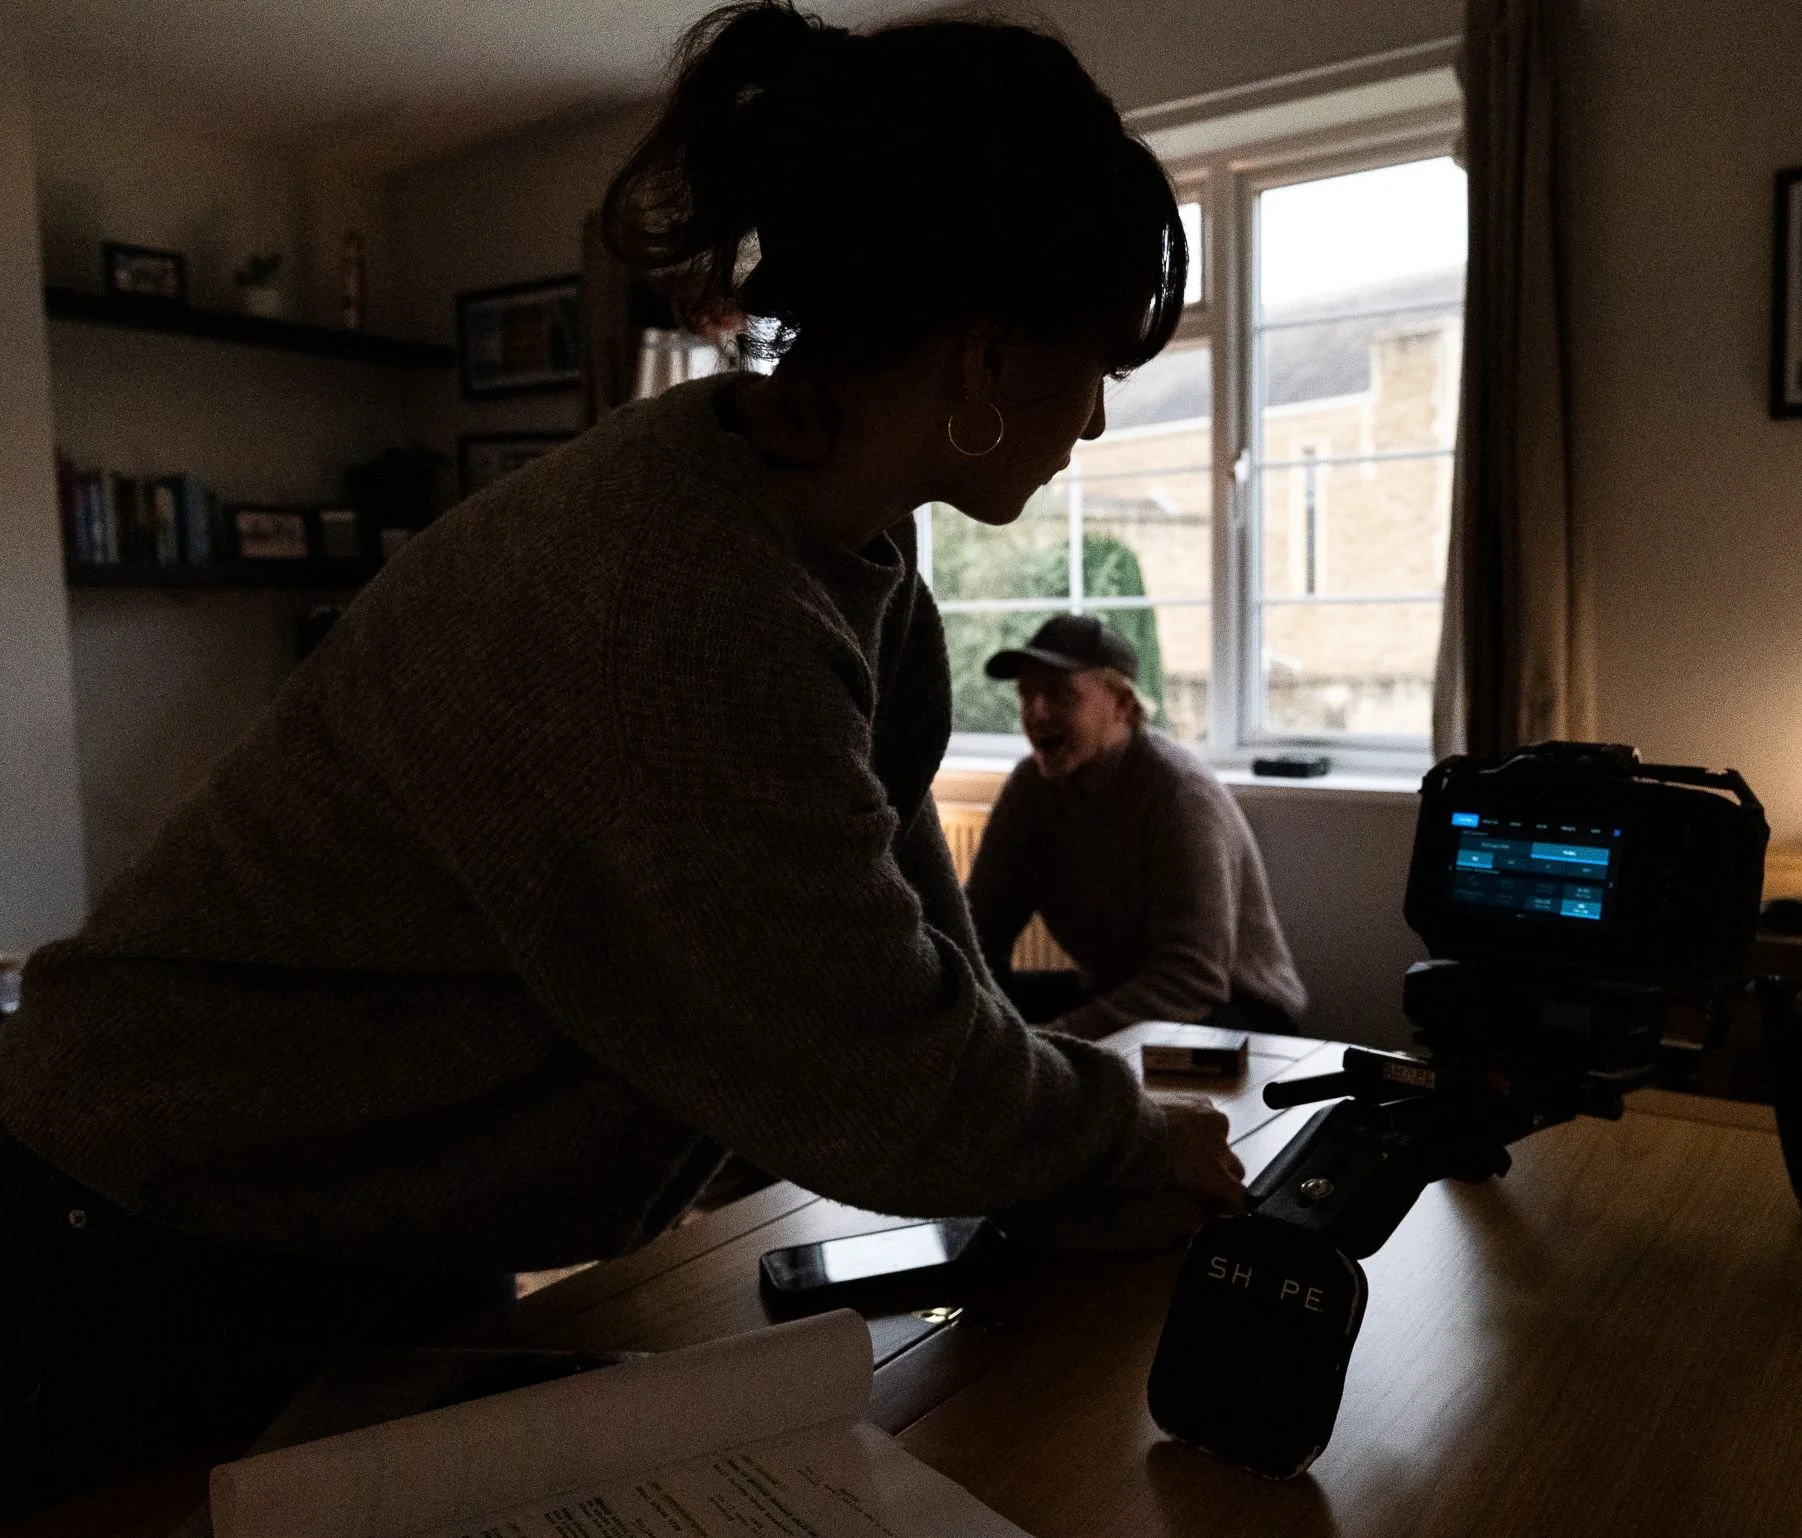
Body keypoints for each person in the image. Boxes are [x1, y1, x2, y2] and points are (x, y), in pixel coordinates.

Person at [0, 2, 1245, 1513]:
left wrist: (1070, 1146)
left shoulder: (850, 551)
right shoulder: (685, 593)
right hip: (155, 1219)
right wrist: (1121, 1134)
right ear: (986, 352)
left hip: (388, 1204)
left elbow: (916, 971)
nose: (1096, 420)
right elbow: (873, 1070)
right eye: (1094, 365)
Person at [966, 614, 1309, 1041]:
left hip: (1235, 1012)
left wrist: (1054, 1043)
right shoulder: (1030, 789)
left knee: (1045, 1044)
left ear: (1123, 706)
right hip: (1121, 992)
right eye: (1026, 694)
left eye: (1059, 694)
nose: (1036, 712)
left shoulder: (1179, 794)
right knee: (969, 1006)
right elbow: (978, 929)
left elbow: (1192, 978)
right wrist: (973, 1018)